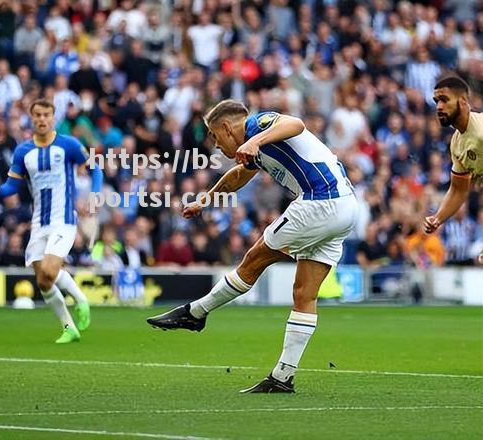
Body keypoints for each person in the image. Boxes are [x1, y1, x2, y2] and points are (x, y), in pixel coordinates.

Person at [147, 100, 358, 394]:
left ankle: (196, 312)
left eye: (214, 137)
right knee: (304, 294)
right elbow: (237, 177)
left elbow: (295, 124)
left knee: (255, 257)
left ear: (225, 128)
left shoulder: (257, 124)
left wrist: (256, 140)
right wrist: (205, 200)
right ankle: (283, 376)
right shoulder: (256, 149)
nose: (216, 145)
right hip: (345, 208)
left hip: (321, 200)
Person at [0, 99, 102, 344]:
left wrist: (94, 194)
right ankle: (69, 328)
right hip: (39, 222)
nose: (41, 119)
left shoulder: (68, 145)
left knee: (51, 270)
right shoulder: (23, 152)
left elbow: (96, 169)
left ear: (53, 117)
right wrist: (0, 190)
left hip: (64, 220)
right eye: (37, 115)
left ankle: (80, 299)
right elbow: (12, 185)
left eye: (46, 115)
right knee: (43, 280)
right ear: (31, 118)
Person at [424, 76, 483, 264]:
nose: (438, 107)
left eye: (444, 100)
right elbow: (458, 190)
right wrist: (438, 218)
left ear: (464, 102)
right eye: (436, 101)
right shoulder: (457, 143)